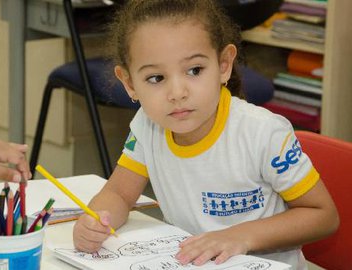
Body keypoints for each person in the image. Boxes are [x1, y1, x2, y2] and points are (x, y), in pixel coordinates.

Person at [73, 1, 339, 269]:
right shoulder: (147, 125)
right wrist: (97, 219)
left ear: (224, 65)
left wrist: (240, 236)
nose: (177, 93)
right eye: (156, 78)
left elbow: (323, 216)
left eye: (194, 70)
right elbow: (119, 193)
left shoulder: (262, 132)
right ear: (130, 84)